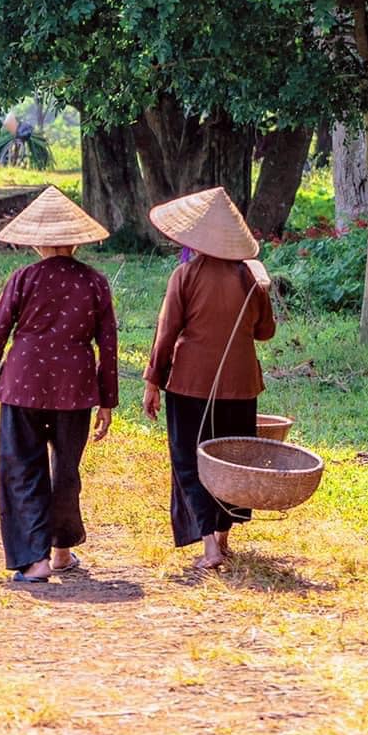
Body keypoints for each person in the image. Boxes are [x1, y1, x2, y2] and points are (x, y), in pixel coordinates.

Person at [0, 186, 118, 583]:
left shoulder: (23, 278)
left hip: (23, 382)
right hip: (76, 386)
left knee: (21, 467)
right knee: (66, 469)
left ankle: (34, 561)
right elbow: (108, 343)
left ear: (36, 242)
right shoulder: (95, 282)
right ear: (74, 240)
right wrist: (108, 401)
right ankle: (60, 552)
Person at [141, 186, 276, 572]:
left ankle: (209, 547)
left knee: (190, 461)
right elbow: (265, 332)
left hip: (189, 385)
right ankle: (222, 539)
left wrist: (153, 381)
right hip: (241, 384)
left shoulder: (184, 276)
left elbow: (166, 336)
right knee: (231, 459)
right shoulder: (251, 279)